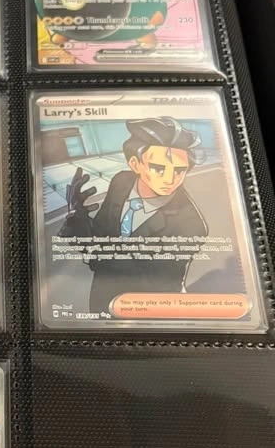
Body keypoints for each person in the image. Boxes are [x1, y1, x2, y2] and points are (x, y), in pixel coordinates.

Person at [59, 116, 207, 314]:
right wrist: (78, 221)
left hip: (151, 312)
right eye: (158, 168)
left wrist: (88, 245)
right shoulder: (121, 182)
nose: (170, 179)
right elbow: (105, 234)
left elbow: (148, 277)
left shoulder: (191, 225)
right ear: (135, 164)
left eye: (180, 171)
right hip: (102, 297)